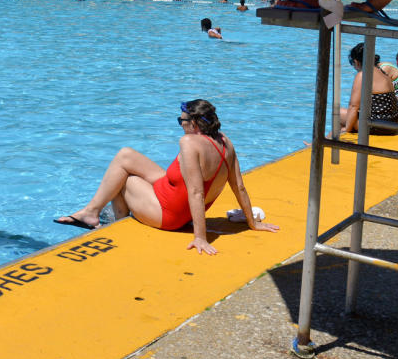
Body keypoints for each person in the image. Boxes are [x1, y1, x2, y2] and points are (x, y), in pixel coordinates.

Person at [55, 99, 279, 253]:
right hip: (174, 195)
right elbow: (238, 186)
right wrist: (252, 223)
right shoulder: (224, 141)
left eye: (182, 121)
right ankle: (91, 211)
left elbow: (196, 192)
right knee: (125, 155)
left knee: (126, 181)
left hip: (171, 214)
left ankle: (111, 221)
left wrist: (200, 237)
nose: (180, 125)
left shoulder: (189, 143)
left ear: (194, 123)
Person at [339, 43, 398, 134]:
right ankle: (326, 141)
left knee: (338, 113)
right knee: (345, 120)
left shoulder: (362, 75)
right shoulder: (382, 72)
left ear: (357, 62)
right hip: (393, 124)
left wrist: (347, 129)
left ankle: (327, 143)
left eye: (352, 63)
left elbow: (353, 106)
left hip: (378, 126)